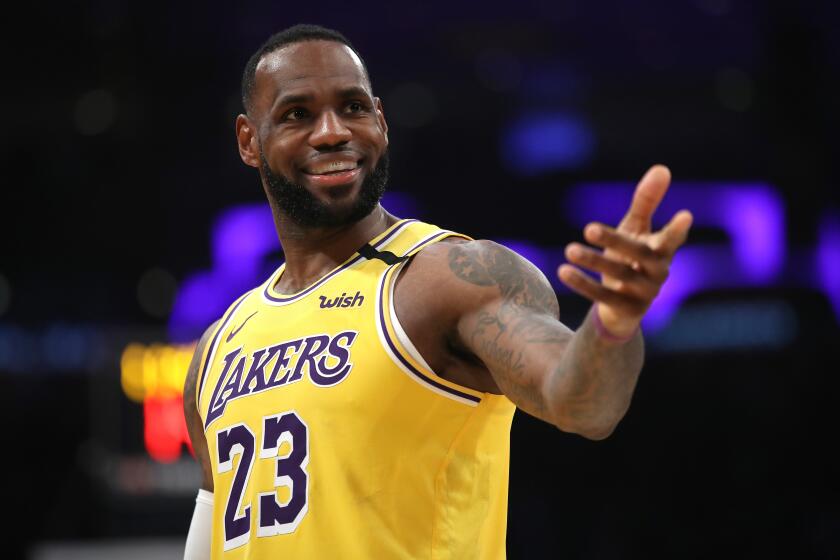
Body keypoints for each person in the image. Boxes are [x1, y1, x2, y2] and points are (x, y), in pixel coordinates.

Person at [182, 23, 693, 560]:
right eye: (296, 114)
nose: (332, 132)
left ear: (380, 121)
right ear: (248, 141)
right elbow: (207, 543)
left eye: (353, 107)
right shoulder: (219, 347)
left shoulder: (446, 278)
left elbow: (581, 404)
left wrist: (613, 325)